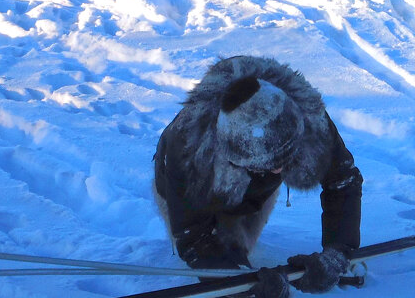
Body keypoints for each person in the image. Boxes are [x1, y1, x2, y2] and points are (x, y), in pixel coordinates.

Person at [154, 56, 362, 298]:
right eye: (268, 166)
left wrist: (337, 253)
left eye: (286, 160)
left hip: (245, 179)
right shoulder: (188, 149)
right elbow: (192, 235)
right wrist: (243, 286)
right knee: (221, 253)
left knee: (241, 245)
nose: (279, 173)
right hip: (185, 187)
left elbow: (342, 180)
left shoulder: (307, 116)